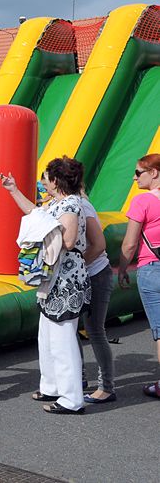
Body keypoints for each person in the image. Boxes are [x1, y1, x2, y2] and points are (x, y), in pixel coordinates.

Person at [0, 156, 91, 414]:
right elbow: (34, 213)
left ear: (56, 180)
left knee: (62, 338)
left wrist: (45, 232)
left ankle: (72, 399)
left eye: (47, 178)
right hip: (54, 278)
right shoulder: (58, 203)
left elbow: (70, 240)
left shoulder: (71, 204)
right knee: (48, 335)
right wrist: (13, 190)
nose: (44, 183)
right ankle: (51, 386)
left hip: (65, 279)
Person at [117, 153, 160, 399]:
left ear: (153, 173)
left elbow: (130, 244)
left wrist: (123, 268)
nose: (134, 178)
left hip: (152, 268)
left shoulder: (142, 201)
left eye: (138, 173)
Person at [79, 187, 116, 404]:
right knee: (71, 327)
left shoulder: (82, 207)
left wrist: (77, 264)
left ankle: (107, 387)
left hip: (96, 275)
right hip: (85, 275)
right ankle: (78, 376)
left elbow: (99, 245)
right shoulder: (65, 206)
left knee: (94, 330)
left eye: (47, 184)